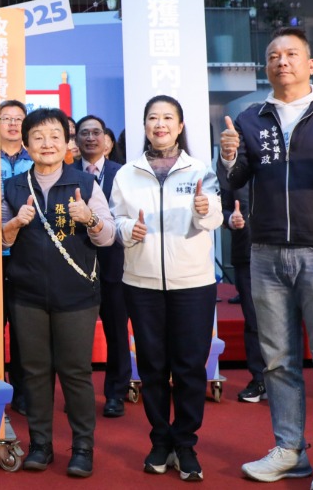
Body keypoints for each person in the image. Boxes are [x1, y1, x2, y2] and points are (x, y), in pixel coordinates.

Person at [218, 27, 313, 490]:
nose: (281, 61)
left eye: (290, 54)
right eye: (273, 56)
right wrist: (227, 159)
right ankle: (290, 450)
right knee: (277, 362)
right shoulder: (251, 118)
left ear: (309, 64)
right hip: (266, 252)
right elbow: (236, 180)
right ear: (266, 66)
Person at [110, 96, 222, 481]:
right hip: (141, 284)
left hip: (193, 283)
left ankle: (186, 444)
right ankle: (160, 440)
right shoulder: (127, 174)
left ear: (180, 125)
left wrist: (205, 210)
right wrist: (130, 229)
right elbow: (115, 220)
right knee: (153, 366)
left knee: (190, 367)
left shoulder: (200, 170)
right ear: (144, 127)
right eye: (153, 118)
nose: (160, 124)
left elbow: (215, 217)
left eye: (168, 118)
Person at [2, 107, 116, 478]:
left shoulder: (84, 183)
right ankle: (40, 445)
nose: (47, 144)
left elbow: (108, 236)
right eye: (38, 137)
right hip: (27, 294)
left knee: (75, 372)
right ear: (26, 144)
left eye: (54, 136)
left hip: (77, 295)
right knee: (34, 372)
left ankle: (82, 448)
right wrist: (14, 224)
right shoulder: (13, 187)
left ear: (67, 142)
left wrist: (90, 218)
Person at [74, 115, 130, 419]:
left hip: (114, 265)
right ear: (77, 140)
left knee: (117, 333)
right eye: (84, 133)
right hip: (77, 265)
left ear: (106, 139)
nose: (90, 138)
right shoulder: (67, 173)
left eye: (96, 132)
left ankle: (115, 393)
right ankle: (77, 395)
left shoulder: (123, 173)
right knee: (75, 336)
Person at [0, 99, 32, 415]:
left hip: (27, 254)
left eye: (18, 118)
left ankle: (23, 392)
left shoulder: (36, 158)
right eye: (6, 118)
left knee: (24, 328)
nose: (12, 123)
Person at [222, 182, 267, 403]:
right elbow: (222, 209)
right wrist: (230, 219)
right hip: (246, 254)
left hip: (280, 251)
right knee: (253, 320)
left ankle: (285, 380)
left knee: (286, 320)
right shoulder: (237, 173)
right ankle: (259, 379)